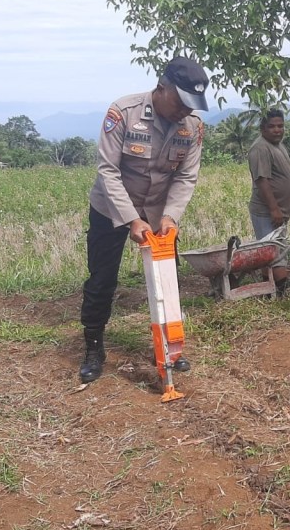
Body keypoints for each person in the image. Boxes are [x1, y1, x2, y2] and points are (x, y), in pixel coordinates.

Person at [79, 56, 209, 383]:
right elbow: (108, 171)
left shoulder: (192, 126)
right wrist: (131, 220)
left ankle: (167, 348)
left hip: (158, 212)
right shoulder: (124, 113)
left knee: (167, 283)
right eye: (181, 102)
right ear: (161, 88)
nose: (185, 110)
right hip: (111, 209)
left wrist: (170, 217)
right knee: (102, 280)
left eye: (191, 104)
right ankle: (94, 347)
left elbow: (186, 177)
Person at [247, 108, 290, 291]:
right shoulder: (260, 148)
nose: (277, 130)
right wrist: (273, 208)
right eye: (272, 126)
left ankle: (269, 286)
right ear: (263, 128)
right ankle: (280, 288)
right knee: (273, 251)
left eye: (280, 126)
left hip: (281, 209)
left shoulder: (278, 145)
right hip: (266, 211)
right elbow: (262, 181)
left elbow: (284, 175)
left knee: (271, 249)